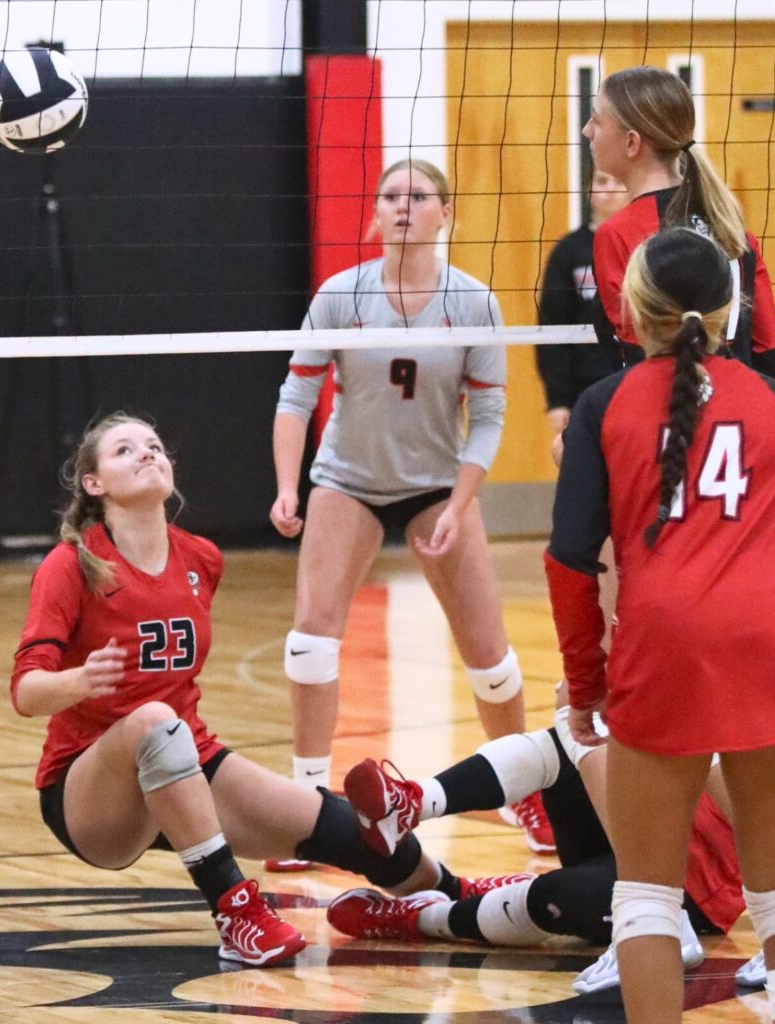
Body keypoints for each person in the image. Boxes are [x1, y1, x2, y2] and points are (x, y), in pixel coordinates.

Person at [10, 412, 521, 969]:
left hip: (187, 762)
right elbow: (26, 692)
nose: (147, 455)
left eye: (154, 446)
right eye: (125, 451)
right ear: (94, 483)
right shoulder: (72, 565)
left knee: (348, 829)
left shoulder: (200, 558)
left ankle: (445, 896)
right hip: (92, 794)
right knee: (153, 720)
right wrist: (78, 681)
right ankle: (235, 914)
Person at [544, 228, 775, 1024]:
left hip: (662, 649)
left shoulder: (601, 406)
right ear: (732, 310)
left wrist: (586, 684)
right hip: (770, 644)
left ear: (630, 307)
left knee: (647, 899)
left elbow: (571, 564)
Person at [326, 623, 775, 998]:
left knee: (557, 897)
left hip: (690, 893)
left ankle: (416, 918)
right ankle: (413, 803)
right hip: (638, 832)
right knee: (563, 743)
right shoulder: (733, 703)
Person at [270, 158, 551, 853]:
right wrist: (287, 485)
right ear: (376, 211)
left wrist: (461, 501)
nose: (402, 206)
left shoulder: (474, 302)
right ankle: (308, 800)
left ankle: (525, 793)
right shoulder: (340, 295)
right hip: (348, 479)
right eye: (391, 195)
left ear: (443, 214)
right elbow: (296, 397)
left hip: (435, 481)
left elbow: (488, 414)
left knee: (490, 657)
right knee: (310, 641)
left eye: (418, 195)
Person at [583, 65, 775, 378]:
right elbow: (772, 356)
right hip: (739, 417)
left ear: (632, 143)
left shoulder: (619, 234)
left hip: (667, 419)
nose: (587, 131)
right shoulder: (732, 229)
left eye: (596, 120)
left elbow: (638, 360)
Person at [536, 170, 629, 436]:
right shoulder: (568, 251)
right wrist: (558, 399)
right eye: (601, 181)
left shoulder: (647, 243)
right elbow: (552, 325)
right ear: (589, 189)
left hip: (635, 376)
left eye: (618, 181)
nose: (609, 189)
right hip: (583, 386)